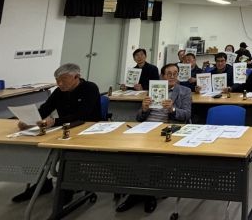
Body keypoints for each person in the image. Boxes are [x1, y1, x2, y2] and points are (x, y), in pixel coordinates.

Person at [12, 63, 101, 203]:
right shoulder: (59, 91)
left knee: (68, 151)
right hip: (64, 128)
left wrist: (55, 121)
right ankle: (42, 183)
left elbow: (83, 114)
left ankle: (68, 187)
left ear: (76, 77)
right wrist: (29, 120)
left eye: (63, 80)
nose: (59, 84)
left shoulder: (90, 88)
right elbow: (45, 109)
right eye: (57, 80)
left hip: (88, 129)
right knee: (32, 147)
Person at [118, 63, 191, 213]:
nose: (172, 76)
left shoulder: (185, 91)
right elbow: (139, 117)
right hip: (146, 127)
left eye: (175, 73)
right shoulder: (152, 89)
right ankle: (136, 190)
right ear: (162, 76)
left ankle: (147, 194)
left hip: (168, 128)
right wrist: (144, 109)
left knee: (154, 157)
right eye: (168, 73)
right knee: (128, 152)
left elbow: (186, 115)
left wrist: (172, 109)